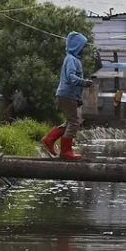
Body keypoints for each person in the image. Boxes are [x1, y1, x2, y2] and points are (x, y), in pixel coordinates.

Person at [41, 32, 93, 160]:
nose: (84, 49)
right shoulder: (71, 59)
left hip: (69, 94)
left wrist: (78, 98)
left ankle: (50, 139)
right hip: (66, 94)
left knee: (70, 121)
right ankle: (65, 150)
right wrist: (84, 82)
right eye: (82, 46)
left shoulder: (73, 59)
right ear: (76, 46)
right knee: (74, 122)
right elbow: (71, 78)